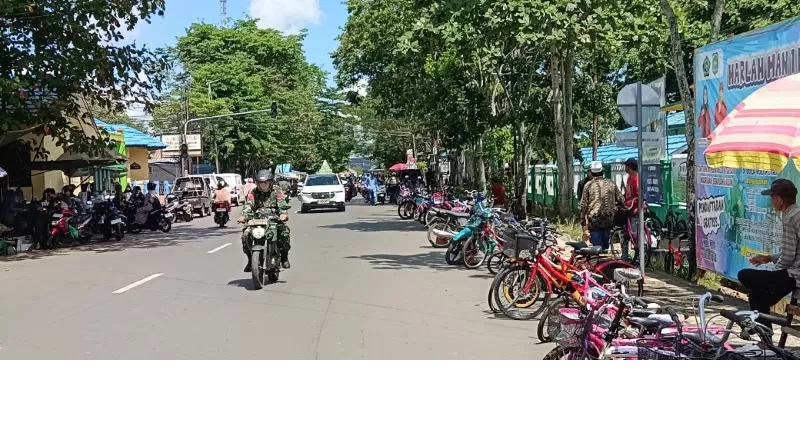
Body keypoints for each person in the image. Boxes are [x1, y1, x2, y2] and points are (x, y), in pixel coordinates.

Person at [738, 179, 800, 327]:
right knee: (757, 295)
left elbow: (788, 257)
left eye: (772, 197)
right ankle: (765, 336)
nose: (771, 201)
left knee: (745, 275)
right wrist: (770, 258)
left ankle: (765, 335)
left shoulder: (791, 218)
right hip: (793, 273)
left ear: (780, 199)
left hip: (793, 275)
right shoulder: (795, 214)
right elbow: (793, 250)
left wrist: (774, 273)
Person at [238, 170, 291, 271]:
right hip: (257, 220)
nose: (263, 184)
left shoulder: (276, 190)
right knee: (245, 235)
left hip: (274, 219)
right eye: (260, 182)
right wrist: (243, 215)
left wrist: (283, 214)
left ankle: (284, 257)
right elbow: (249, 204)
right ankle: (250, 260)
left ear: (270, 182)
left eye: (265, 182)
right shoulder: (253, 192)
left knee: (284, 233)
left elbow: (282, 204)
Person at [580, 161, 624, 250]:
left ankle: (599, 261)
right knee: (605, 243)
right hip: (609, 218)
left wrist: (582, 218)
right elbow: (621, 199)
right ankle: (605, 261)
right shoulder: (611, 183)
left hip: (594, 219)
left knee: (597, 245)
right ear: (602, 171)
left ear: (591, 173)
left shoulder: (588, 185)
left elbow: (584, 204)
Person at [621, 158, 641, 261]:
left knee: (634, 234)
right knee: (626, 233)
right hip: (628, 209)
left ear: (629, 167)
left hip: (635, 209)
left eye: (626, 166)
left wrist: (629, 202)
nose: (625, 168)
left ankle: (639, 256)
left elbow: (638, 195)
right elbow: (628, 194)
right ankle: (625, 256)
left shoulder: (636, 178)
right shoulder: (629, 178)